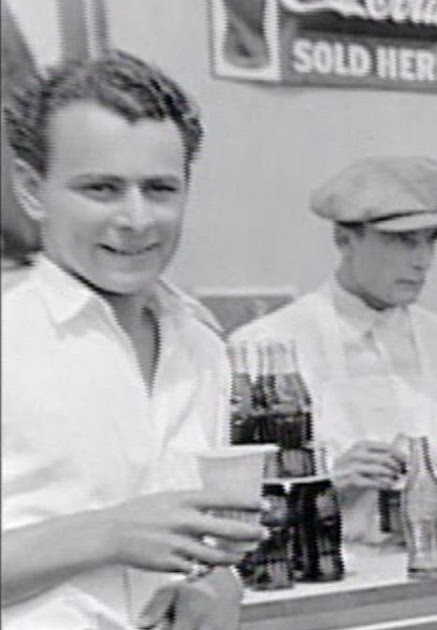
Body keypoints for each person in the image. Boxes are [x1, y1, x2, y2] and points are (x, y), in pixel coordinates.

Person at [1, 51, 265, 630]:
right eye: (102, 188)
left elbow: (185, 541)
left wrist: (216, 585)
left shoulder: (200, 347)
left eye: (161, 189)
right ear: (31, 189)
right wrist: (108, 534)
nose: (137, 218)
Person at [230, 156, 437, 543]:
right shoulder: (269, 346)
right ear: (344, 239)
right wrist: (327, 481)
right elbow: (236, 503)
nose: (422, 260)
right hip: (324, 573)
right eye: (402, 240)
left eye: (431, 240)